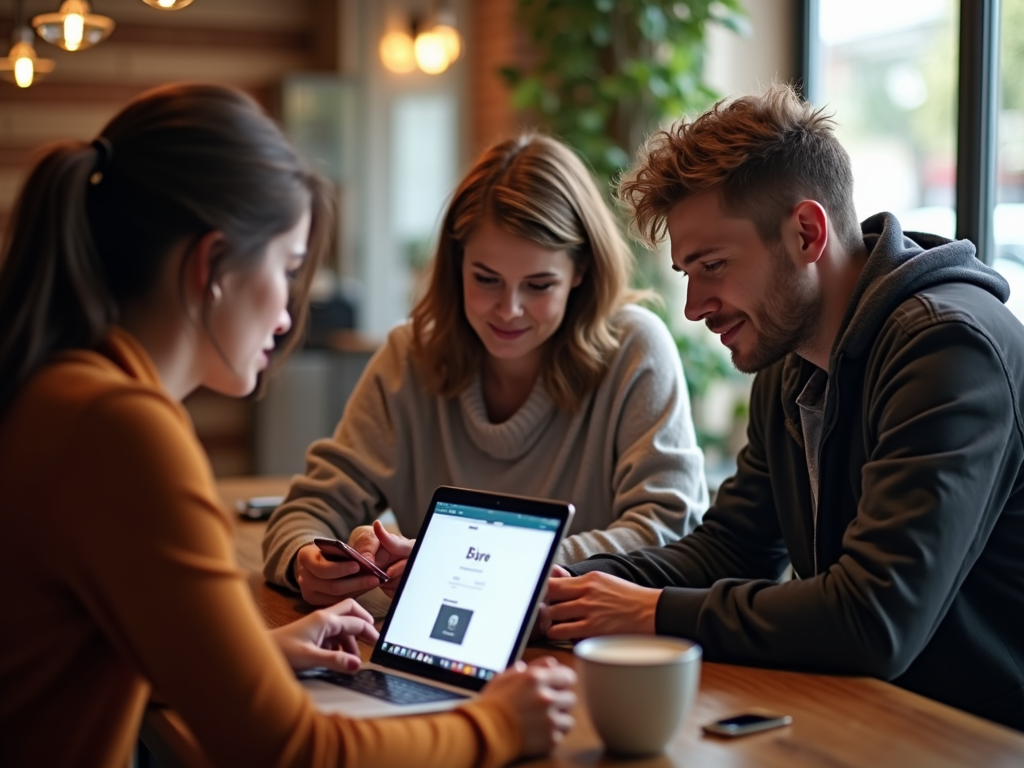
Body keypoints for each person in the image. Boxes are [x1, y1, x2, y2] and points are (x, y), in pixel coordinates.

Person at [0, 83, 575, 768]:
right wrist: (498, 725)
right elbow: (287, 749)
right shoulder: (120, 429)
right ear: (212, 267)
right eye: (289, 267)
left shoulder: (54, 390)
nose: (288, 313)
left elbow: (77, 654)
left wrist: (253, 655)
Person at [540, 83, 1024, 731]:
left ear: (806, 232)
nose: (693, 305)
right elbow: (731, 549)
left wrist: (650, 611)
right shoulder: (792, 364)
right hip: (868, 720)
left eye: (713, 264)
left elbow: (874, 618)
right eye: (688, 272)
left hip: (975, 739)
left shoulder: (948, 348)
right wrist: (559, 582)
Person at [262, 133, 709, 607]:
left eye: (538, 285)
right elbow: (310, 510)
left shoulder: (635, 349)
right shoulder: (409, 356)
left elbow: (670, 532)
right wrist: (305, 559)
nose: (509, 310)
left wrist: (461, 560)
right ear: (456, 265)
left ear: (579, 271)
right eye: (486, 279)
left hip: (584, 653)